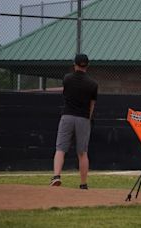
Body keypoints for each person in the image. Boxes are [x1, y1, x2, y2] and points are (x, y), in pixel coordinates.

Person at [50, 54, 98, 189]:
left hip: (67, 116)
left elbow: (65, 94)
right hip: (83, 118)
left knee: (60, 148)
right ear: (87, 66)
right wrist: (88, 119)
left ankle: (56, 176)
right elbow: (92, 105)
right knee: (82, 152)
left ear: (74, 64)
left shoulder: (67, 79)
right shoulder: (93, 84)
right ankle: (83, 184)